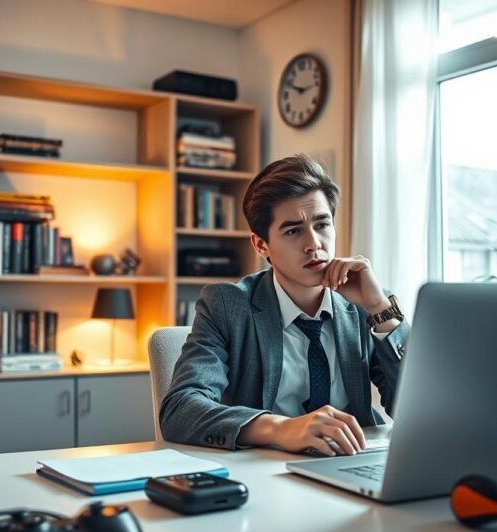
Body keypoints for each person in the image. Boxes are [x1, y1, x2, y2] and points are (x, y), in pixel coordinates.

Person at [159, 154, 409, 456]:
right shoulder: (227, 306)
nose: (314, 244)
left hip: (354, 461)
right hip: (268, 470)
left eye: (322, 225)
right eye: (293, 231)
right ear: (260, 244)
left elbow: (420, 409)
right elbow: (180, 408)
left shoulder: (365, 303)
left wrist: (380, 309)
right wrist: (279, 428)